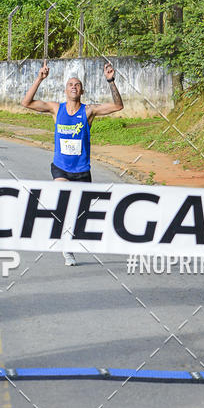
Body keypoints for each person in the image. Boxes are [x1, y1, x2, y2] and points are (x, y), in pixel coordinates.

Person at [21, 60, 124, 265]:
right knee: (64, 202)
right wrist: (39, 79)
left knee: (80, 214)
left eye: (77, 85)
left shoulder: (88, 111)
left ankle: (68, 243)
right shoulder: (55, 108)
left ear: (82, 91)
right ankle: (65, 247)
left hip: (82, 170)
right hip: (61, 168)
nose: (74, 87)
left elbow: (118, 106)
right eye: (70, 84)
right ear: (66, 90)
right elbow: (26, 103)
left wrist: (111, 81)